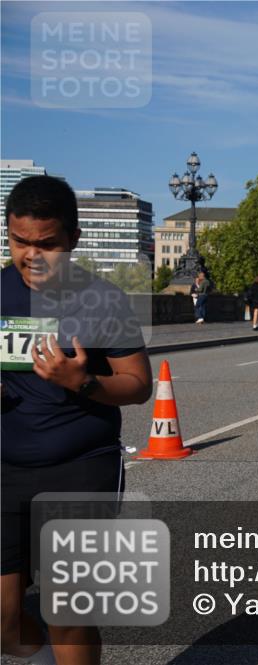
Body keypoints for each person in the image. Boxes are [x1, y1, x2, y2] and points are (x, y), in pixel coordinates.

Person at [1, 175, 153, 664]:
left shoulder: (104, 300)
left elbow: (138, 385)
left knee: (67, 611)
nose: (31, 255)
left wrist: (82, 382)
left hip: (80, 467)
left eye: (47, 244)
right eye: (18, 241)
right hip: (4, 469)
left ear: (74, 240)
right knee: (4, 619)